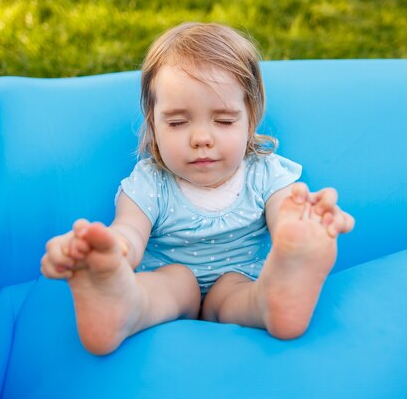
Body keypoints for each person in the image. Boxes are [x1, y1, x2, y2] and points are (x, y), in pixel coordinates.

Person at [40, 22, 355, 355]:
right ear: (153, 124)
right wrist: (107, 253)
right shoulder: (151, 182)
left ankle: (276, 300)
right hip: (172, 283)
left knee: (239, 293)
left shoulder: (265, 173)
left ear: (250, 119)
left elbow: (284, 219)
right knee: (172, 283)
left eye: (223, 121)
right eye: (177, 122)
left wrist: (302, 226)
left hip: (238, 281)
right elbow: (129, 232)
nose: (201, 138)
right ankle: (119, 304)